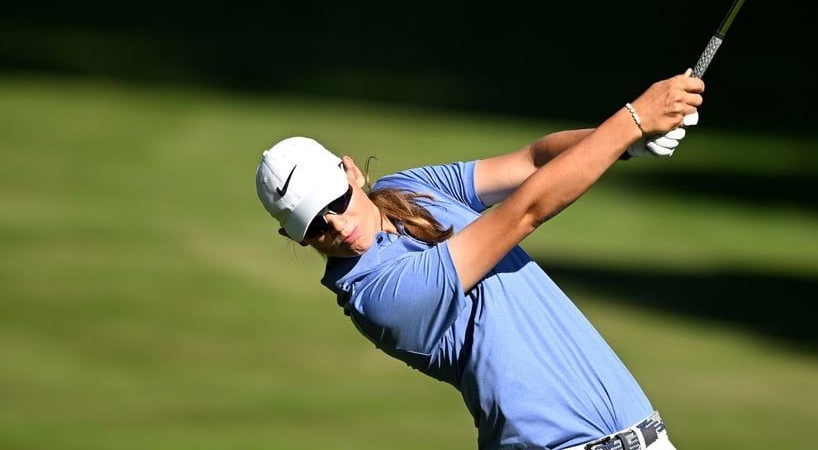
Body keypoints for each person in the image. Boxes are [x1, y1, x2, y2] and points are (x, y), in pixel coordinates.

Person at [253, 69, 705, 450]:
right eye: (313, 225)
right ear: (291, 235)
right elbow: (522, 213)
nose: (335, 223)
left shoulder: (408, 188)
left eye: (336, 200)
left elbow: (531, 162)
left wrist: (625, 142)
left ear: (351, 172)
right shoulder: (378, 297)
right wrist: (630, 120)